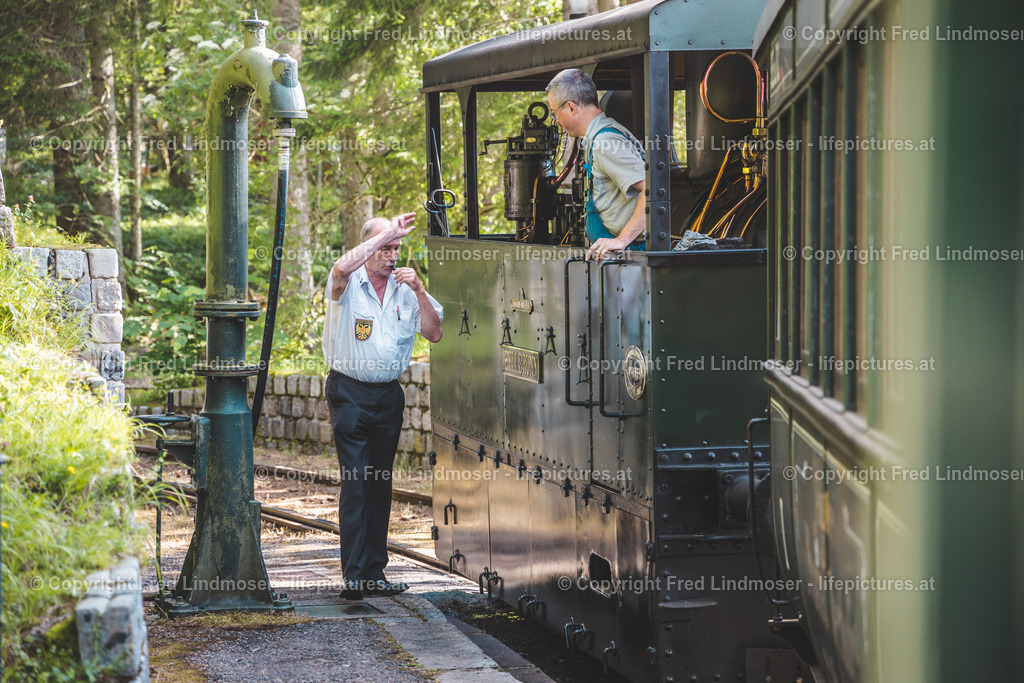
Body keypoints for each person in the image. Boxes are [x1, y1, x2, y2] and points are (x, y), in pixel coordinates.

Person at [322, 213, 443, 600]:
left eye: (395, 248)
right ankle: (354, 576)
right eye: (385, 247)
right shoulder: (348, 281)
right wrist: (383, 233)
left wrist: (421, 290)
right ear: (369, 247)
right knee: (355, 483)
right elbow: (341, 267)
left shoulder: (405, 289)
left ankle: (375, 572)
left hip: (388, 396)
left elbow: (434, 332)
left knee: (379, 484)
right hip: (350, 393)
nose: (391, 256)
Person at [545, 68, 647, 261]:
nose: (556, 121)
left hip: (630, 258)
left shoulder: (604, 143)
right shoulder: (598, 139)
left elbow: (651, 187)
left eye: (555, 113)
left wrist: (622, 240)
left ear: (571, 108)